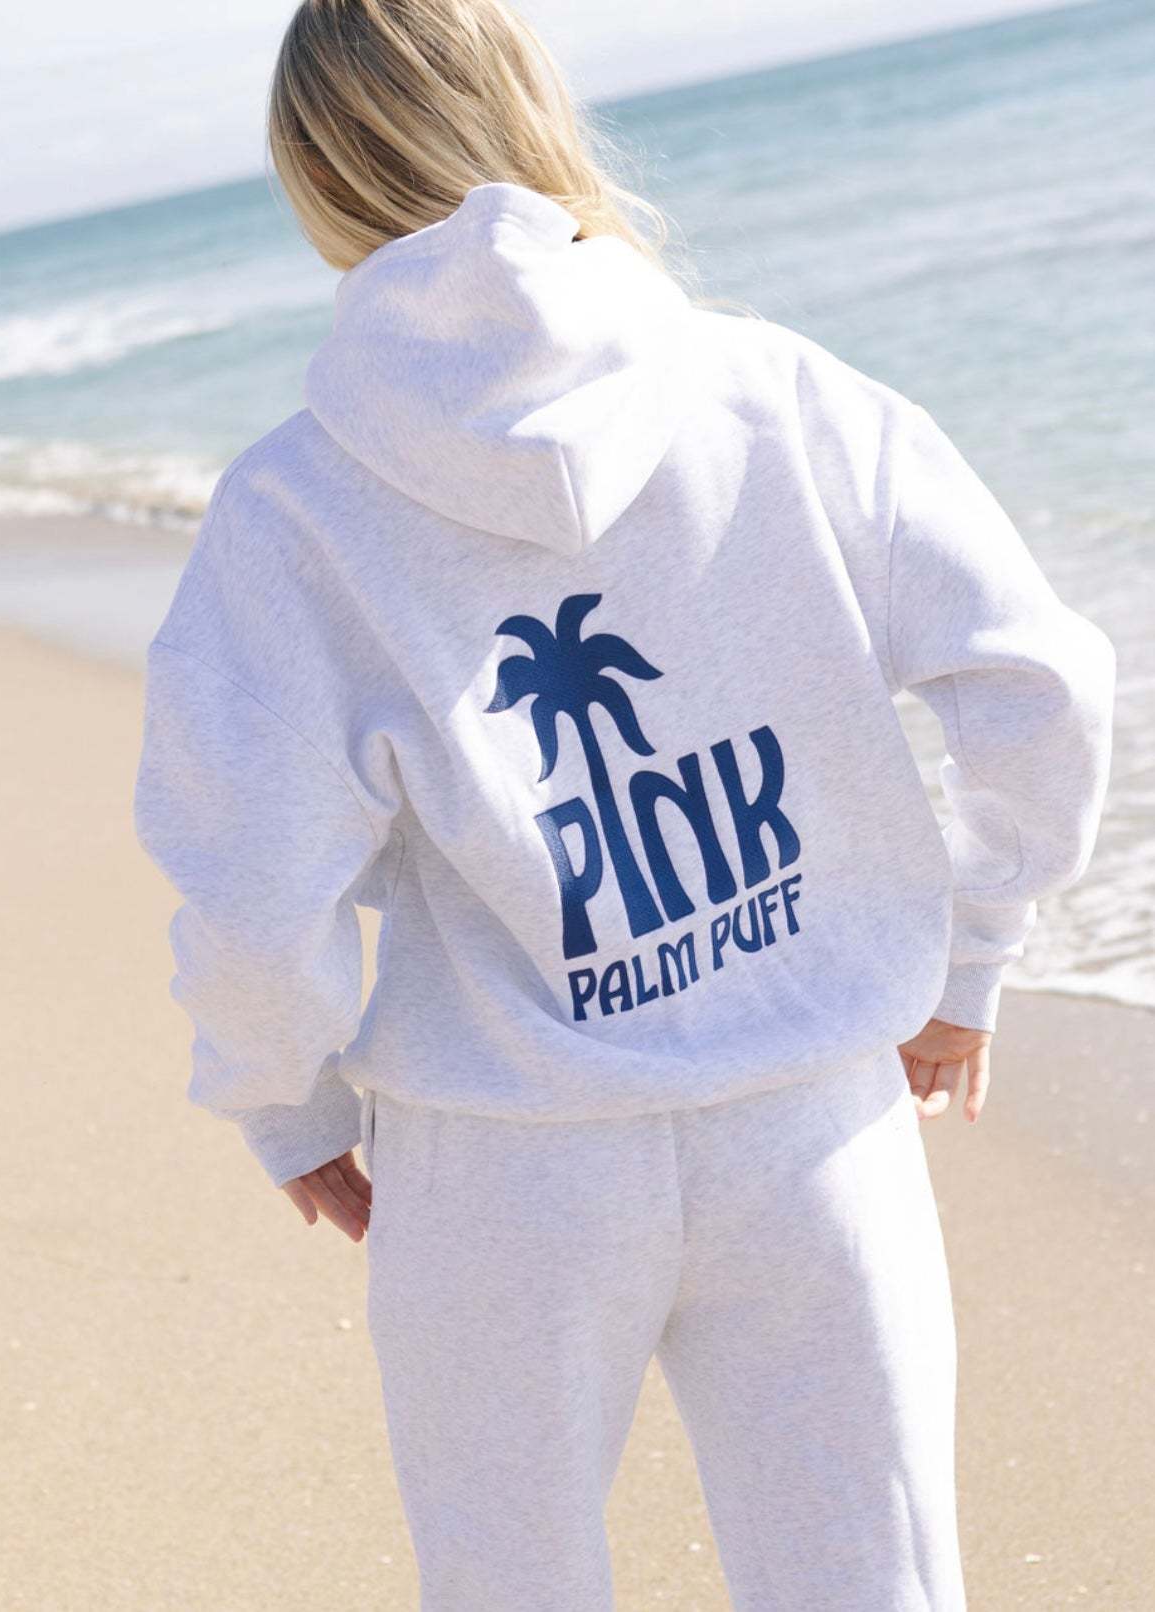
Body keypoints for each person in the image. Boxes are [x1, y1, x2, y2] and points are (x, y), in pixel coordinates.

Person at [132, 2, 1116, 1607]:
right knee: (868, 1580)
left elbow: (253, 882)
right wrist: (972, 951)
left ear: (318, 175)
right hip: (809, 1113)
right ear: (533, 107)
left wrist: (281, 1097)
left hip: (499, 1158)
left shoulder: (292, 510)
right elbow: (1037, 685)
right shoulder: (773, 392)